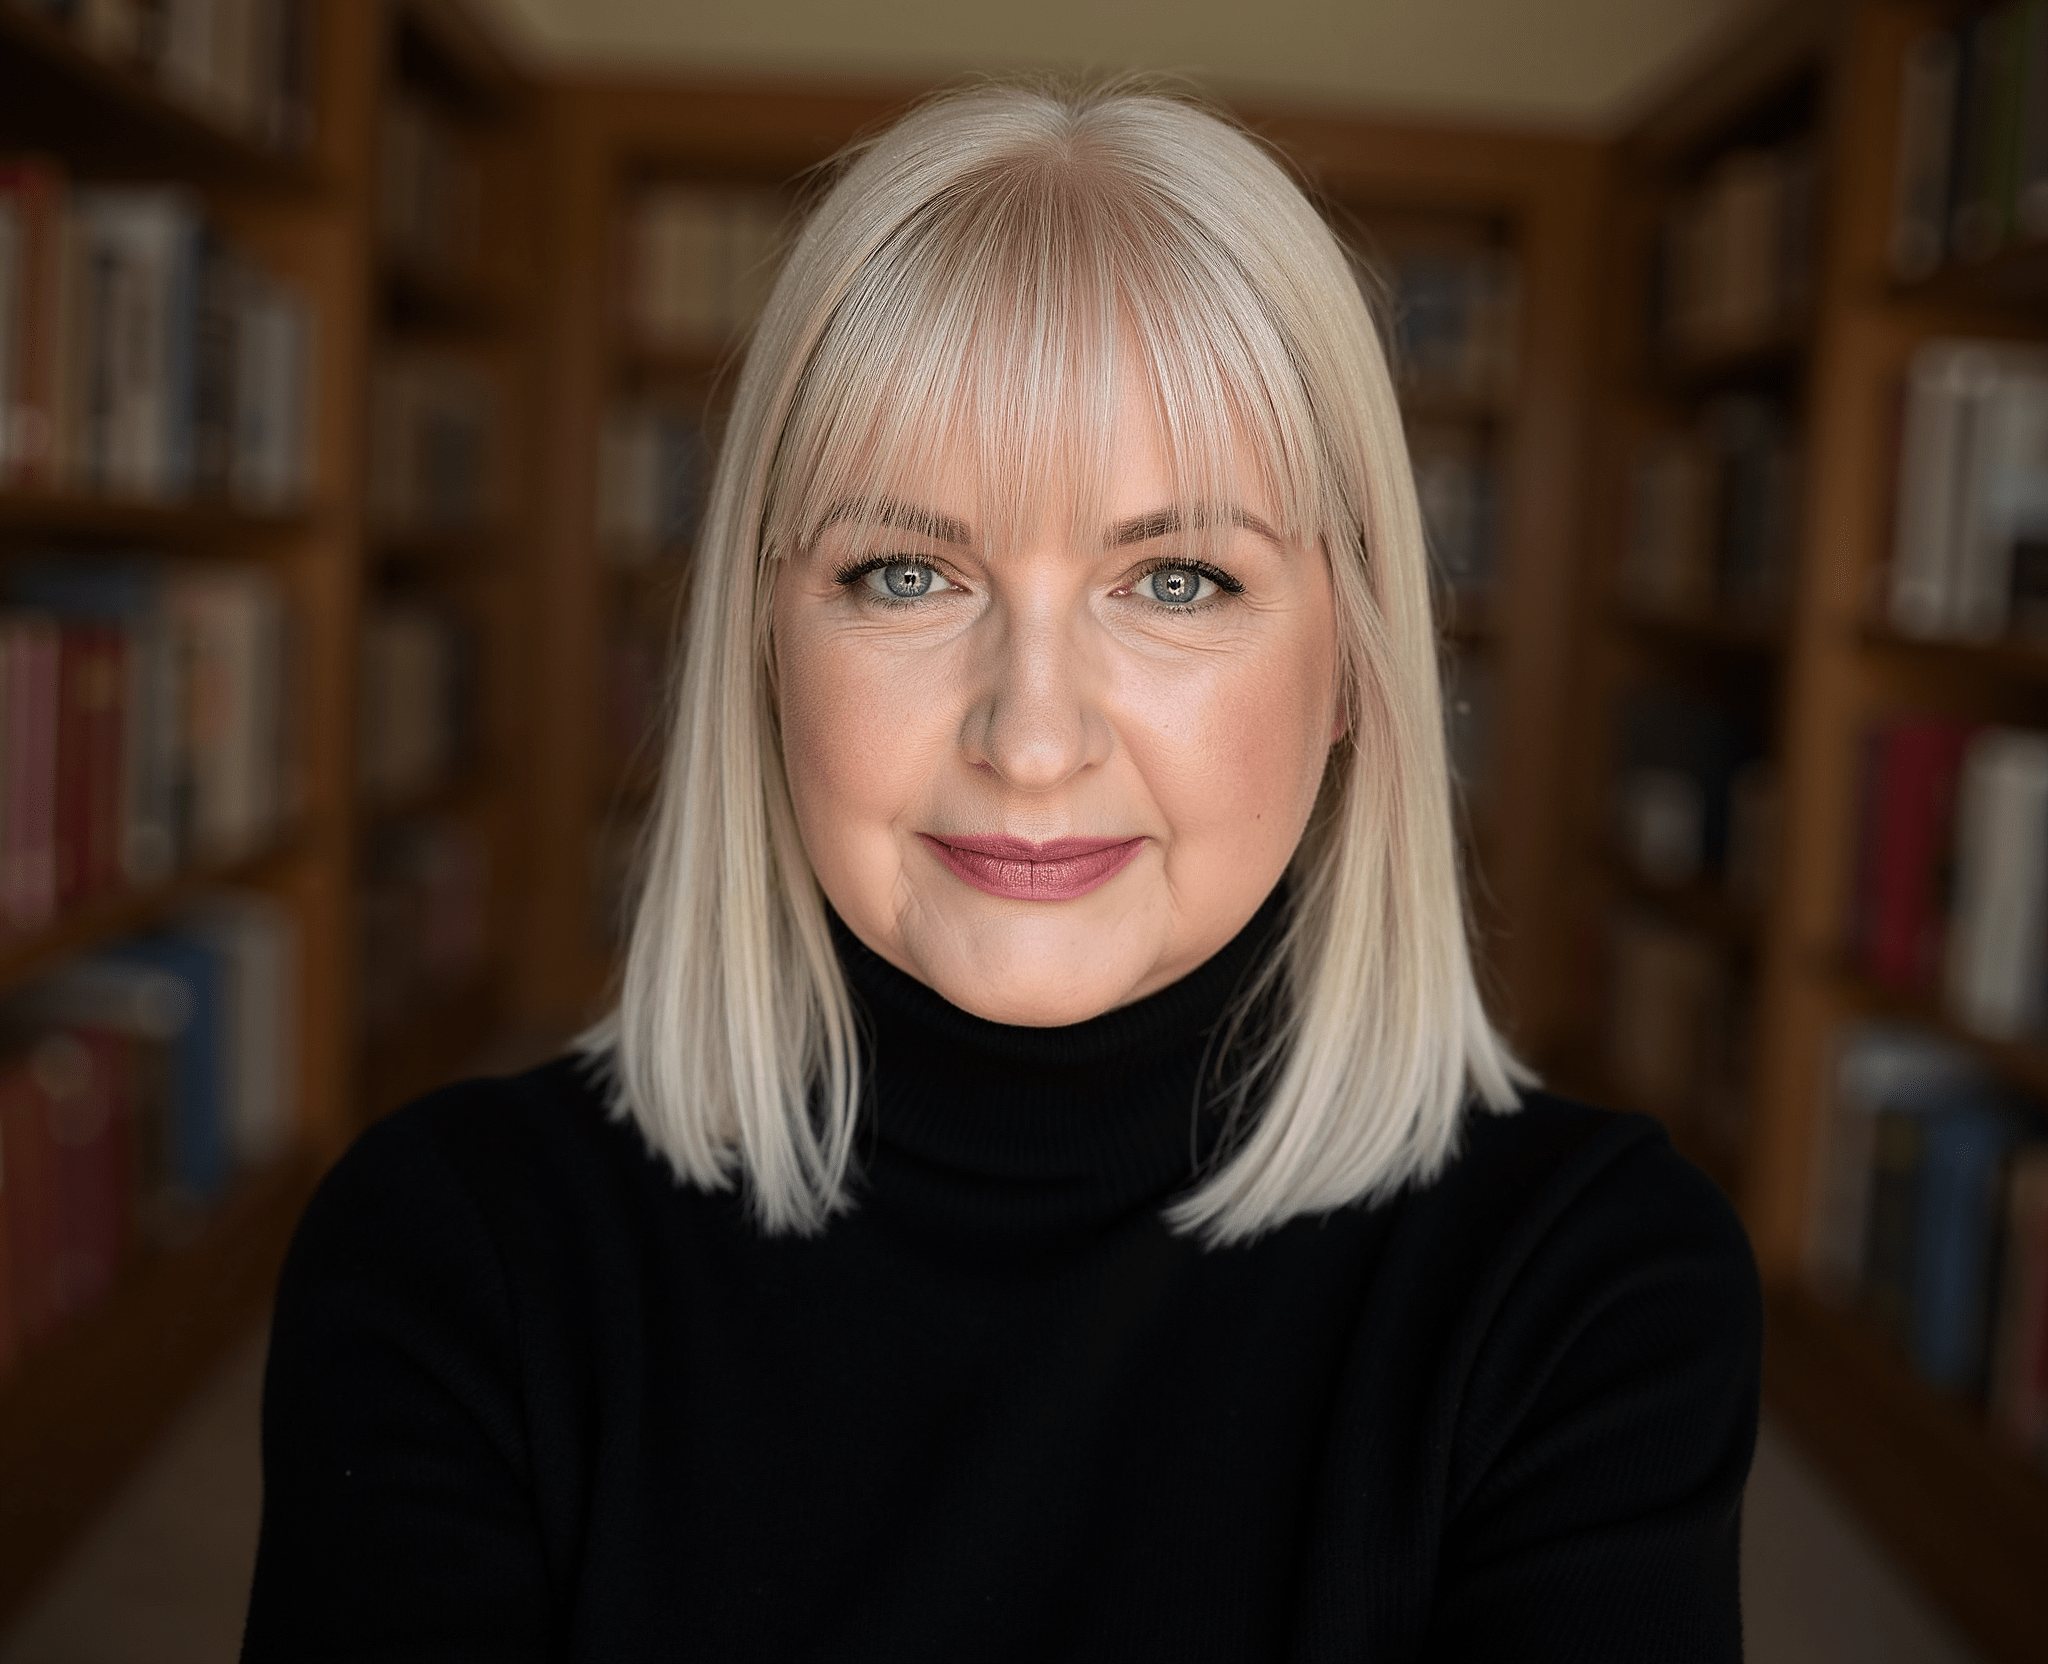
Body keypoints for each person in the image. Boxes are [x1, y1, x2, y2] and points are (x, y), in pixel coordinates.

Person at [242, 83, 1760, 1663]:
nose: (1031, 736)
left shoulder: (1593, 1286)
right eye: (906, 572)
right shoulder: (451, 1253)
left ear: (1357, 672)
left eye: (1177, 578)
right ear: (761, 652)